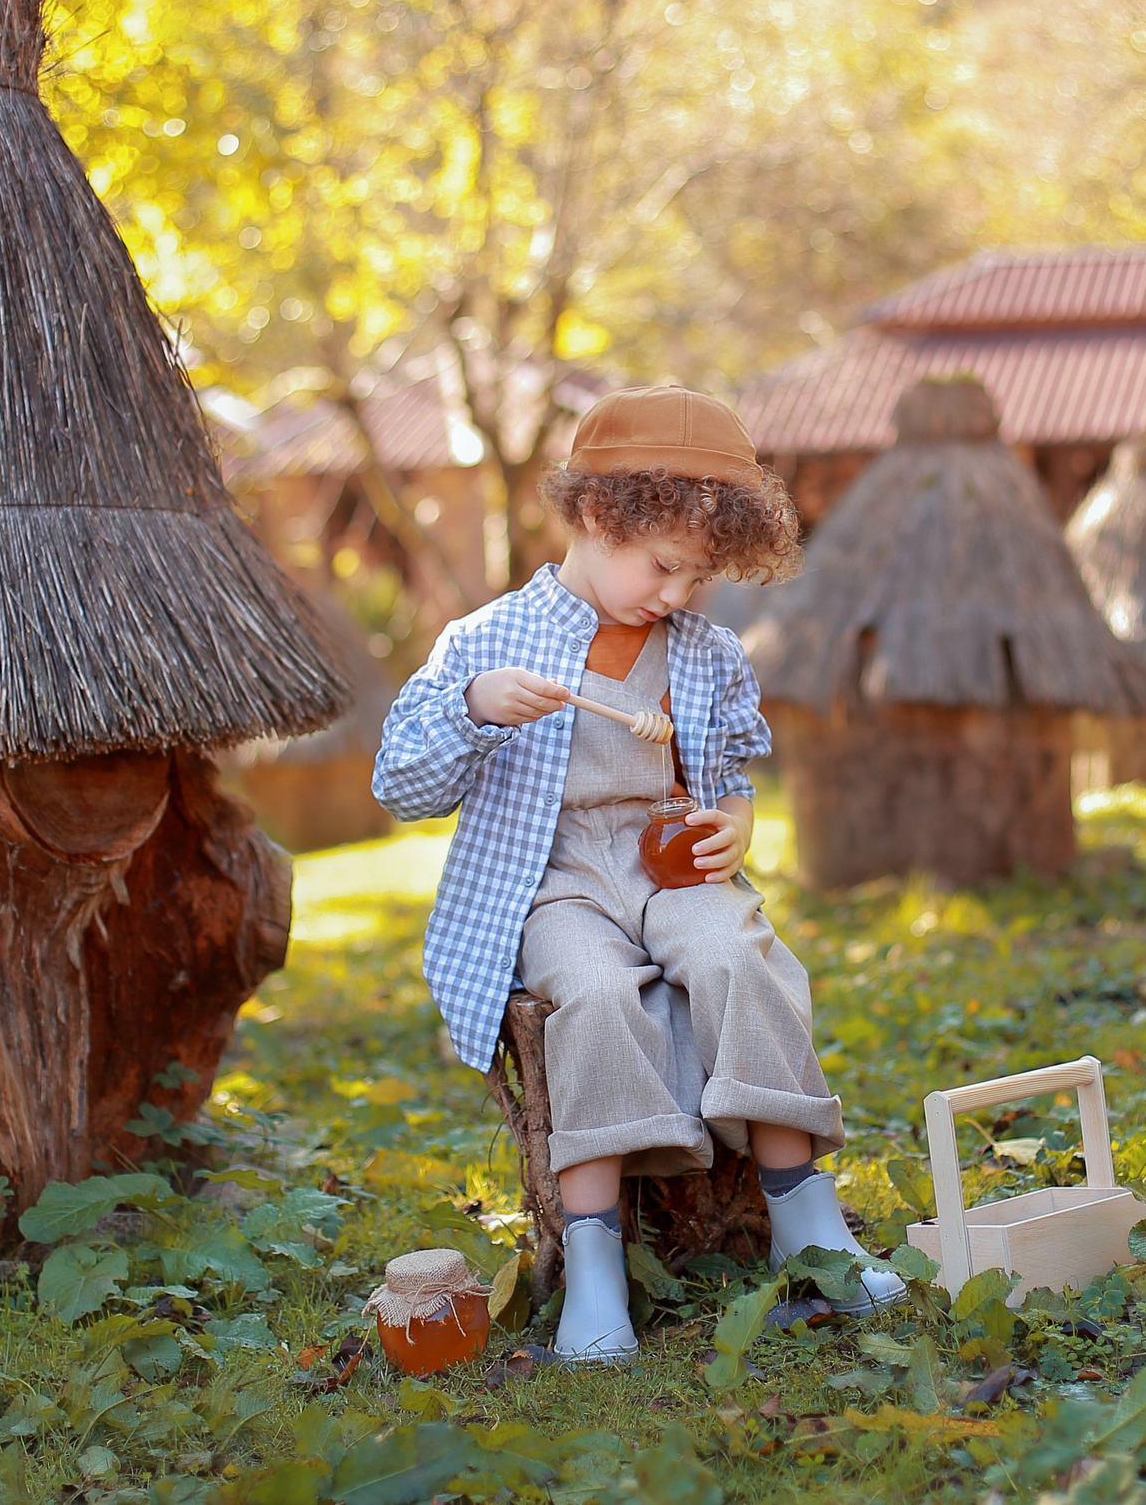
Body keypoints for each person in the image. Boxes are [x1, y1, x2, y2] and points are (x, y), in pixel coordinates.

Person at [373, 385, 903, 1365]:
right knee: (595, 992)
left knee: (740, 959)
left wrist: (734, 823)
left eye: (699, 579)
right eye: (663, 567)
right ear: (591, 514)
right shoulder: (487, 643)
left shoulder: (702, 653)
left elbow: (733, 768)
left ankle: (807, 1224)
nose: (676, 595)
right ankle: (596, 1270)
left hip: (666, 864)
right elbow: (403, 783)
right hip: (556, 876)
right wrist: (476, 707)